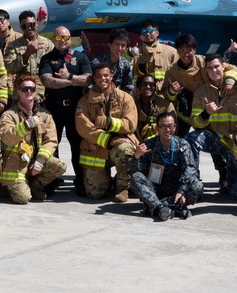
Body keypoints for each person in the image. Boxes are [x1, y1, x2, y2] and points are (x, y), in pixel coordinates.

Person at [185, 53, 237, 199]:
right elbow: (195, 123)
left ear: (223, 67)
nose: (214, 71)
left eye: (216, 66)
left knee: (236, 193)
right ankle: (192, 183)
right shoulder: (201, 93)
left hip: (236, 143)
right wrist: (206, 113)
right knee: (191, 139)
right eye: (210, 68)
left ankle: (229, 182)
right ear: (206, 71)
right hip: (215, 138)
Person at [0, 75, 67, 204]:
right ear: (18, 91)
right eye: (24, 89)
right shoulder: (9, 115)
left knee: (60, 166)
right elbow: (7, 136)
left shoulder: (45, 115)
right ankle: (7, 185)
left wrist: (40, 160)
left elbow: (51, 141)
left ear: (35, 91)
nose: (28, 91)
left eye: (31, 89)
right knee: (23, 199)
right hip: (16, 164)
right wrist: (26, 126)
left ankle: (33, 187)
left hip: (35, 162)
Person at [39, 25, 92, 194]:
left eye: (66, 38)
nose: (63, 41)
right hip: (54, 109)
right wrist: (72, 81)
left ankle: (80, 182)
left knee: (77, 146)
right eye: (59, 38)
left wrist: (68, 77)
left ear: (70, 39)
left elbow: (87, 80)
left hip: (75, 110)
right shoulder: (47, 58)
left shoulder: (81, 57)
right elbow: (47, 81)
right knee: (52, 146)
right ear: (53, 39)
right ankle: (52, 180)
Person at [75, 63, 138, 202]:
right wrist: (109, 140)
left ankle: (122, 188)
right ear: (94, 78)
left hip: (120, 145)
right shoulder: (85, 101)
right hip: (96, 149)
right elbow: (83, 127)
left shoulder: (125, 98)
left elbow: (131, 125)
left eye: (105, 75)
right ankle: (106, 180)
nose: (102, 79)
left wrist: (108, 122)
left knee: (125, 150)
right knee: (94, 194)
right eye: (98, 76)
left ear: (111, 76)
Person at [128, 112, 203, 221]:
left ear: (175, 127)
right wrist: (136, 156)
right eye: (163, 126)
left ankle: (157, 206)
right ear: (157, 128)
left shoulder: (182, 145)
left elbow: (190, 170)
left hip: (176, 190)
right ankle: (162, 208)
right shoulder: (149, 145)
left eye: (170, 126)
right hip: (155, 189)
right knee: (135, 178)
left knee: (197, 185)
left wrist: (181, 191)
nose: (167, 130)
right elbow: (131, 170)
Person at [163, 34, 237, 136]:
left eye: (189, 50)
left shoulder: (204, 62)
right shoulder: (172, 71)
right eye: (181, 50)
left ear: (194, 50)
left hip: (211, 108)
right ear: (177, 51)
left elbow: (231, 68)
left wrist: (229, 82)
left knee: (216, 137)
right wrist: (172, 91)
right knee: (181, 139)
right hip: (185, 113)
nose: (185, 54)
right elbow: (166, 95)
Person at [3, 10, 54, 101]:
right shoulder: (13, 46)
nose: (29, 28)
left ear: (37, 23)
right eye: (25, 26)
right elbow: (10, 69)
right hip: (22, 95)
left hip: (43, 95)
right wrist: (27, 54)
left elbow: (54, 66)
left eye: (31, 24)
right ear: (21, 28)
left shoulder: (48, 44)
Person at [131, 19, 178, 90]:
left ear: (157, 33)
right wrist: (129, 54)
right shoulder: (135, 54)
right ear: (141, 35)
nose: (147, 34)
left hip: (164, 96)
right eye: (144, 32)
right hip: (142, 95)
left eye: (150, 31)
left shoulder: (172, 52)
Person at [90, 28, 134, 95]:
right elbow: (90, 85)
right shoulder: (97, 63)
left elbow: (128, 87)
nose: (120, 48)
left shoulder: (126, 65)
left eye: (123, 45)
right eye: (117, 44)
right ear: (110, 45)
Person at [134, 74, 175, 142]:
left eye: (151, 84)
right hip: (136, 142)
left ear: (155, 87)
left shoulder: (166, 105)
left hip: (160, 142)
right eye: (144, 84)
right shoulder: (132, 104)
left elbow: (172, 130)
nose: (148, 86)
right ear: (139, 87)